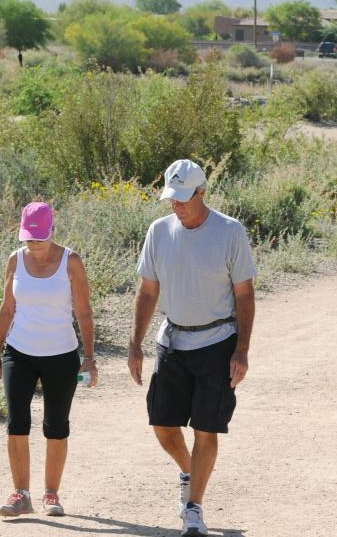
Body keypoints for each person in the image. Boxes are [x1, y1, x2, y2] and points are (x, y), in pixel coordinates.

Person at [127, 159, 257, 537]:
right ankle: (190, 471)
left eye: (184, 198)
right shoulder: (159, 231)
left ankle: (193, 508)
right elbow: (148, 291)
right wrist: (135, 344)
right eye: (172, 198)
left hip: (217, 341)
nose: (177, 205)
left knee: (205, 428)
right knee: (163, 426)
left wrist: (242, 350)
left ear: (202, 193)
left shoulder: (229, 232)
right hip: (173, 340)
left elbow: (245, 296)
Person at [0, 201, 98, 518]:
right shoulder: (15, 260)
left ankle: (51, 494)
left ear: (52, 230)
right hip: (18, 352)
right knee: (16, 423)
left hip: (61, 355)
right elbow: (7, 309)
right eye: (28, 237)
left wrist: (89, 358)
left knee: (56, 426)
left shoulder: (70, 261)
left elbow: (84, 312)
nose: (33, 243)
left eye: (38, 237)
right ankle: (21, 494)